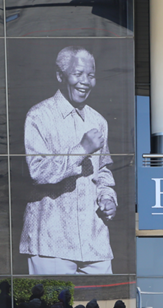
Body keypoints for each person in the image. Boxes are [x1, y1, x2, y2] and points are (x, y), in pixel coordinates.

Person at [20, 46, 117, 275]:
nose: (85, 81)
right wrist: (81, 149)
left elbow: (103, 170)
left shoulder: (99, 121)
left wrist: (108, 196)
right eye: (78, 74)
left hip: (95, 243)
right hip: (51, 243)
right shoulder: (38, 116)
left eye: (91, 75)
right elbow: (38, 171)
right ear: (60, 76)